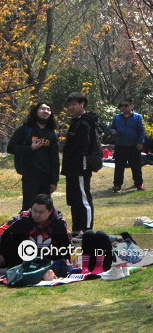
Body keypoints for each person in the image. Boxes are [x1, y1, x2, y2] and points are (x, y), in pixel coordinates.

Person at [7, 102, 60, 210]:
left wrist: (54, 181)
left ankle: (42, 227)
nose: (45, 111)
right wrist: (30, 148)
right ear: (36, 112)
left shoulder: (51, 134)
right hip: (30, 176)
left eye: (48, 110)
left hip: (46, 177)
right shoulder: (25, 130)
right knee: (28, 207)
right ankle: (27, 226)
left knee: (44, 208)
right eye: (42, 109)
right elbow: (10, 148)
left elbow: (55, 159)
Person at [61, 90, 99, 236]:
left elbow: (85, 147)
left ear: (82, 104)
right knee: (73, 198)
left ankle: (88, 229)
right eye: (69, 105)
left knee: (83, 198)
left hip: (81, 167)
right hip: (71, 167)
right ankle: (76, 229)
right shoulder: (76, 121)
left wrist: (83, 164)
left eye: (74, 104)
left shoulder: (85, 122)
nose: (71, 107)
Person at [0, 195, 72, 272]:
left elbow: (69, 244)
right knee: (9, 238)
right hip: (22, 258)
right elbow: (2, 230)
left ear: (50, 211)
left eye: (41, 212)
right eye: (34, 210)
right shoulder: (23, 218)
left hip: (50, 259)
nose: (37, 215)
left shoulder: (59, 222)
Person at [110, 98, 146, 192]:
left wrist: (140, 142)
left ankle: (139, 184)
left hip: (133, 145)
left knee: (136, 166)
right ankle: (117, 185)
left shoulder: (138, 117)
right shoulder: (117, 117)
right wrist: (112, 131)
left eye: (126, 105)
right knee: (119, 166)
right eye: (122, 106)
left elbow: (141, 131)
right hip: (120, 145)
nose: (124, 108)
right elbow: (111, 127)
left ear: (131, 106)